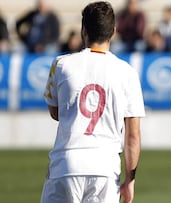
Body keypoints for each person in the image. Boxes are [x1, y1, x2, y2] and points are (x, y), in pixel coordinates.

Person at [41, 1, 145, 203]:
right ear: (113, 31)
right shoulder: (127, 72)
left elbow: (56, 112)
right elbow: (133, 135)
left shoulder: (62, 64)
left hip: (66, 163)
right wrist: (130, 179)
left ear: (83, 30)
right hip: (105, 168)